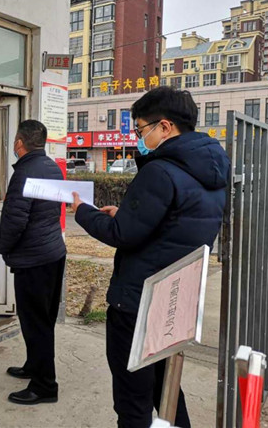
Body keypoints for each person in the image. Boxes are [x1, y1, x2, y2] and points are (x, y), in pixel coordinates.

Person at [71, 87, 229, 427]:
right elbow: (173, 224)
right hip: (176, 298)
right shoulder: (211, 170)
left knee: (133, 398)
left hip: (138, 301)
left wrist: (83, 211)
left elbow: (121, 234)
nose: (139, 137)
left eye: (142, 129)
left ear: (166, 127)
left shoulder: (161, 171)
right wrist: (125, 214)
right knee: (166, 387)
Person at [0, 119, 67, 405]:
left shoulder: (24, 173)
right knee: (43, 319)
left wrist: (3, 248)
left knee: (35, 322)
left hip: (34, 260)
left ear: (19, 142)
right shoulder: (51, 167)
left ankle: (45, 386)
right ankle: (33, 365)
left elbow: (15, 220)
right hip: (53, 254)